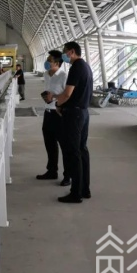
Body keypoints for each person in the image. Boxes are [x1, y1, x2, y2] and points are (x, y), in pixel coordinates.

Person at [50, 41, 93, 203]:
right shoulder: (86, 66)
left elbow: (68, 93)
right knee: (82, 151)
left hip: (74, 114)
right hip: (83, 113)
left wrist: (58, 104)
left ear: (72, 52)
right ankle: (84, 189)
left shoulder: (76, 67)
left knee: (73, 153)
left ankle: (76, 193)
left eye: (65, 51)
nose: (63, 54)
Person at [37, 50, 71, 186]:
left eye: (49, 60)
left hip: (59, 113)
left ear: (57, 63)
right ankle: (52, 171)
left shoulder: (64, 76)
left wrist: (55, 98)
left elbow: (68, 95)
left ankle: (68, 175)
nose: (46, 62)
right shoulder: (46, 74)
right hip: (48, 113)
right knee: (49, 144)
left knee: (64, 145)